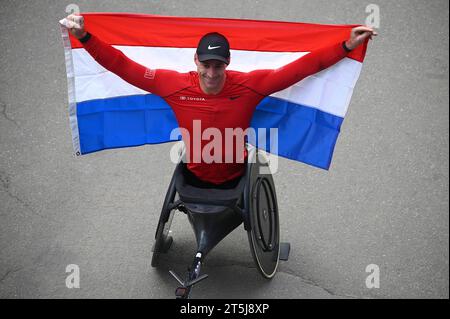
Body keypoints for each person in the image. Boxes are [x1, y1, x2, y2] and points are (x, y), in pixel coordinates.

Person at [65, 14, 376, 188]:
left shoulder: (252, 86)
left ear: (227, 63)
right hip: (194, 175)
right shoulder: (172, 84)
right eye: (206, 64)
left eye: (218, 65)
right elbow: (122, 65)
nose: (211, 72)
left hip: (235, 175)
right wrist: (85, 36)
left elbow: (302, 69)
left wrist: (346, 45)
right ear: (196, 61)